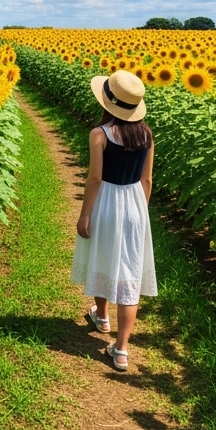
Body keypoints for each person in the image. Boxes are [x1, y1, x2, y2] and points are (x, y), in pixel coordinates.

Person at [73, 69, 156, 371]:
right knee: (130, 274)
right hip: (135, 204)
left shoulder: (100, 134)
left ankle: (103, 316)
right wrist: (139, 212)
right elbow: (147, 180)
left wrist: (85, 214)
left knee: (103, 256)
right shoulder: (147, 135)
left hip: (107, 202)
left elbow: (95, 178)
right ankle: (121, 350)